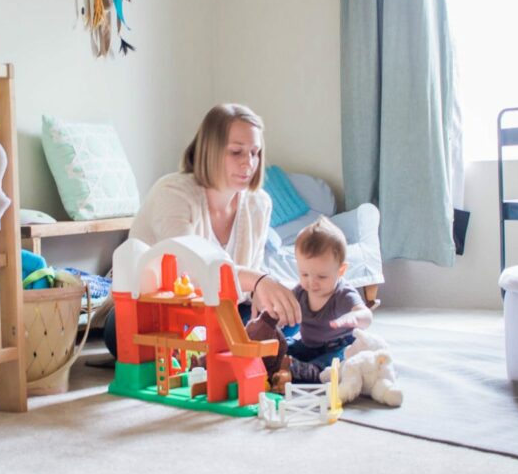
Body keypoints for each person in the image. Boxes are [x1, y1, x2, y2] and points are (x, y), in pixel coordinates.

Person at [102, 103, 301, 356]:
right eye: (237, 152)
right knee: (121, 331)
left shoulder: (259, 203)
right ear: (211, 151)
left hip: (219, 310)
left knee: (290, 318)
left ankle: (214, 348)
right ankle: (212, 348)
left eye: (255, 153)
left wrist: (264, 299)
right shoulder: (173, 193)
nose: (248, 163)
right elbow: (187, 271)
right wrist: (258, 280)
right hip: (157, 309)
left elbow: (245, 285)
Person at [282, 216, 374, 383]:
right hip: (307, 344)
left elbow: (367, 317)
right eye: (304, 274)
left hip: (338, 346)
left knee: (336, 363)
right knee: (283, 346)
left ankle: (309, 371)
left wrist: (354, 317)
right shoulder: (301, 291)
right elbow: (284, 307)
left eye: (322, 276)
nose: (311, 282)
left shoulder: (343, 294)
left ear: (341, 270)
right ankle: (284, 363)